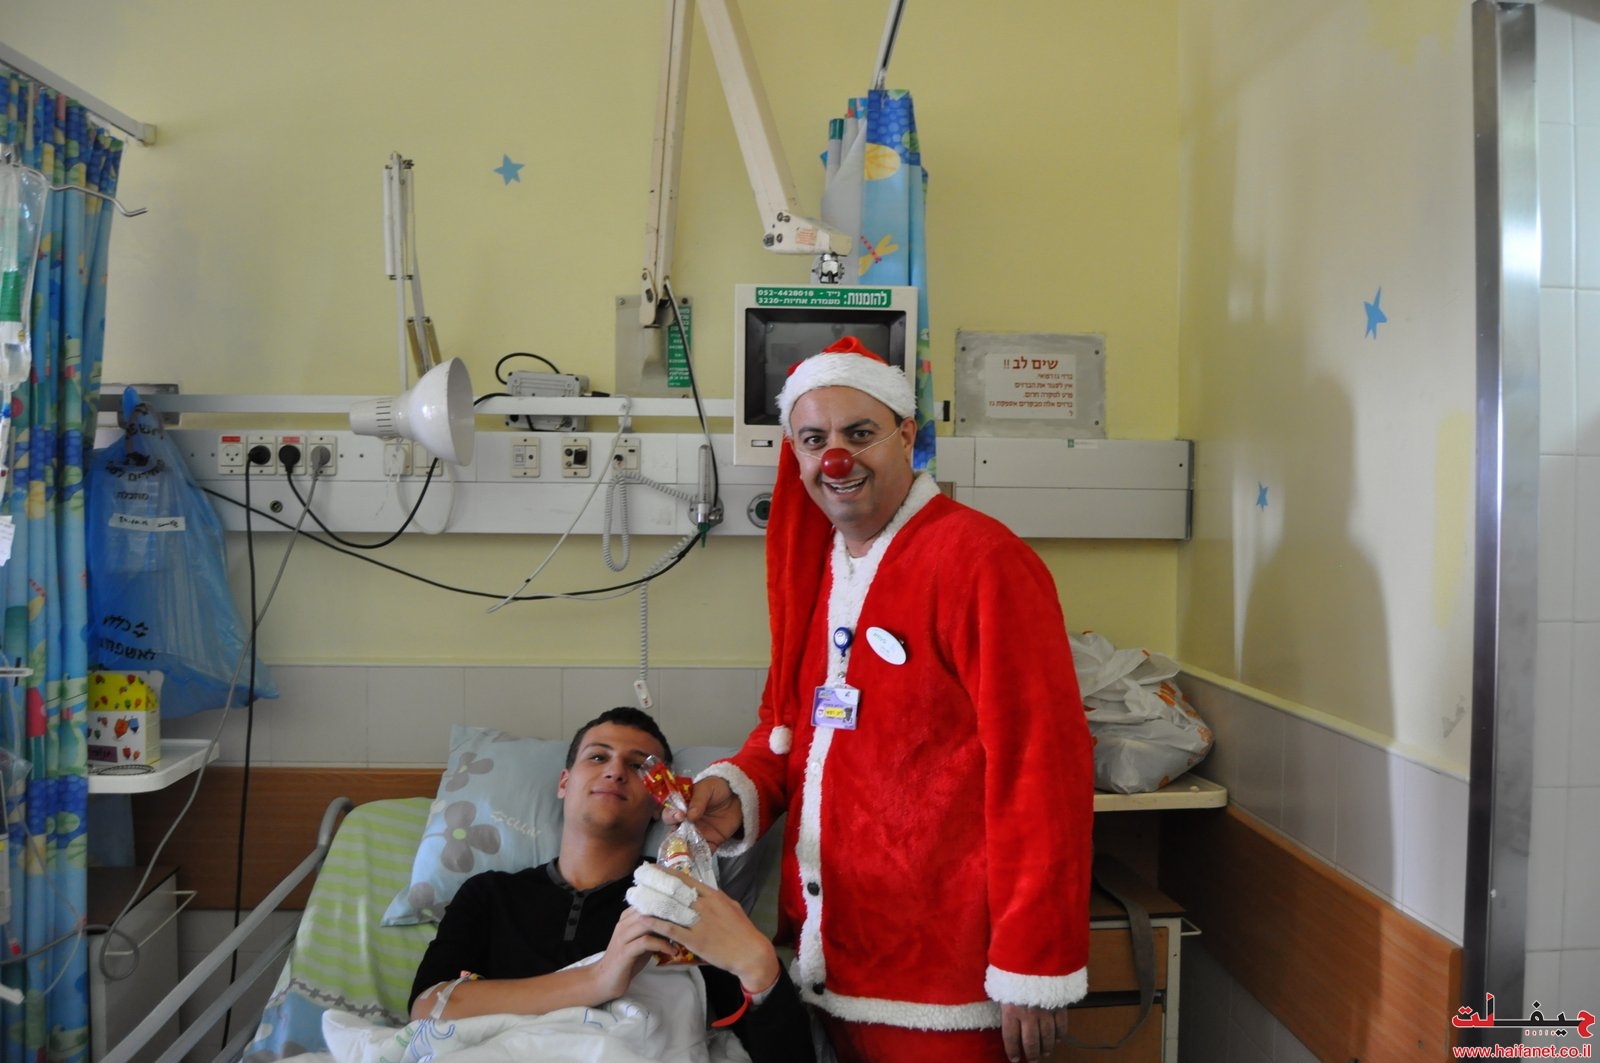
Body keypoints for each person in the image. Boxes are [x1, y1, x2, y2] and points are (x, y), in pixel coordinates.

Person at [669, 339, 1096, 1063]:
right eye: (814, 440)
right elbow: (795, 730)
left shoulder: (980, 561)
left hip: (947, 979)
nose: (836, 457)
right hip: (834, 961)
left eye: (859, 433)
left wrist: (1033, 962)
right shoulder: (822, 571)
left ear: (906, 435)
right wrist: (738, 790)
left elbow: (1042, 770)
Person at [409, 706, 812, 1063]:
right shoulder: (490, 894)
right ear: (564, 782)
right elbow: (428, 1008)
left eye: (637, 767)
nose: (615, 771)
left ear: (659, 802)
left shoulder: (680, 900)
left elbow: (783, 1052)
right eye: (598, 756)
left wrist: (761, 969)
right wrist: (600, 978)